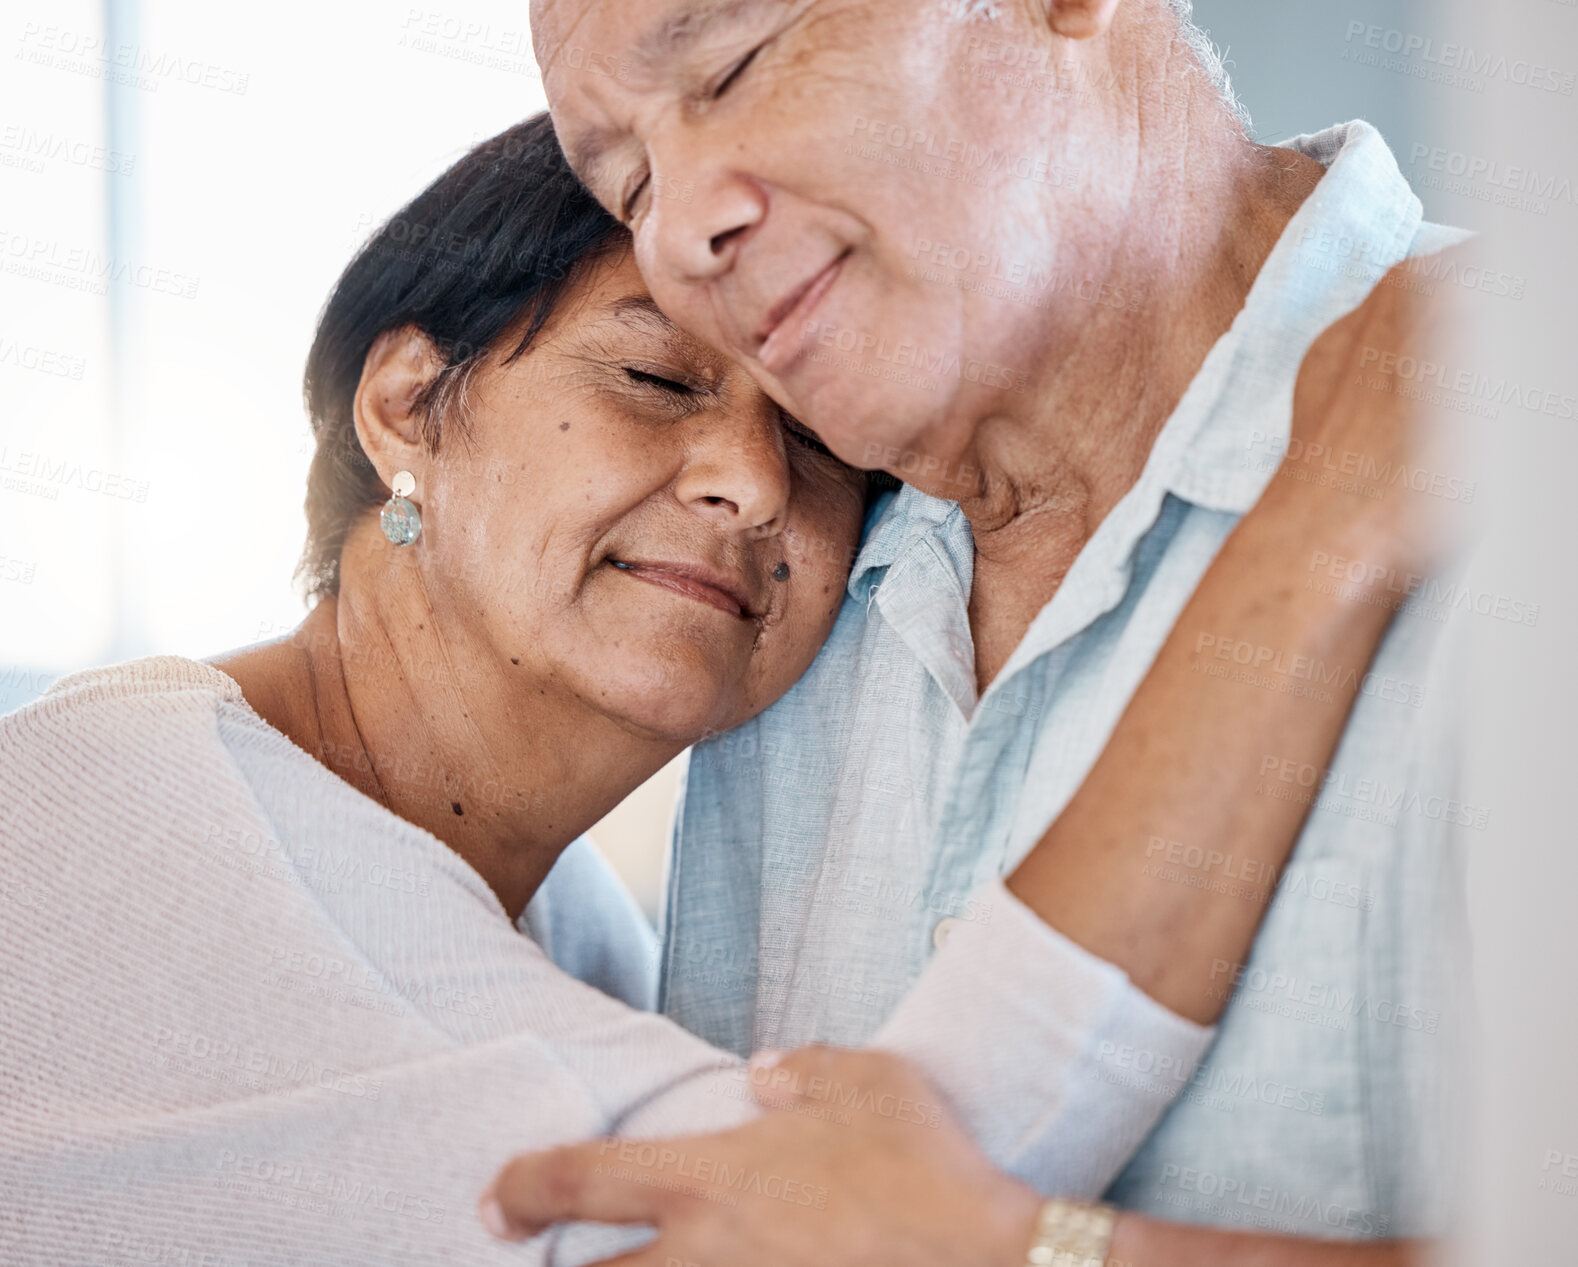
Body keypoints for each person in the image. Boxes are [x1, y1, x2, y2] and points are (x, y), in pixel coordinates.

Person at [3, 112, 1438, 1267]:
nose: (750, 483)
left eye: (816, 444)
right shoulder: (117, 821)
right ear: (404, 406)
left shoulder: (570, 933)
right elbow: (837, 1216)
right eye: (654, 377)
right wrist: (1316, 535)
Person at [491, 0, 1479, 1259]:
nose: (680, 237)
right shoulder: (766, 595)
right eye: (628, 186)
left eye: (734, 66)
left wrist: (1039, 1250)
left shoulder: (1516, 411)